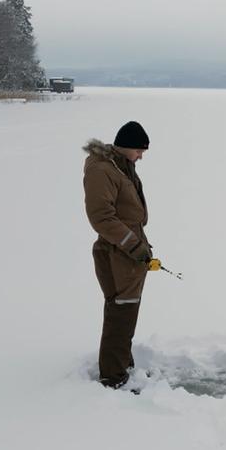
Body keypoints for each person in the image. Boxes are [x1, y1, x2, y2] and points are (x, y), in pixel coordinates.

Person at [82, 121, 152, 389]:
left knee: (122, 311)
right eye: (139, 151)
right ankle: (114, 377)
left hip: (127, 249)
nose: (141, 156)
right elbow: (101, 217)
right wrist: (133, 245)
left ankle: (121, 365)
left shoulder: (119, 166)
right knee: (122, 312)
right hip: (118, 252)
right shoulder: (103, 171)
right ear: (126, 147)